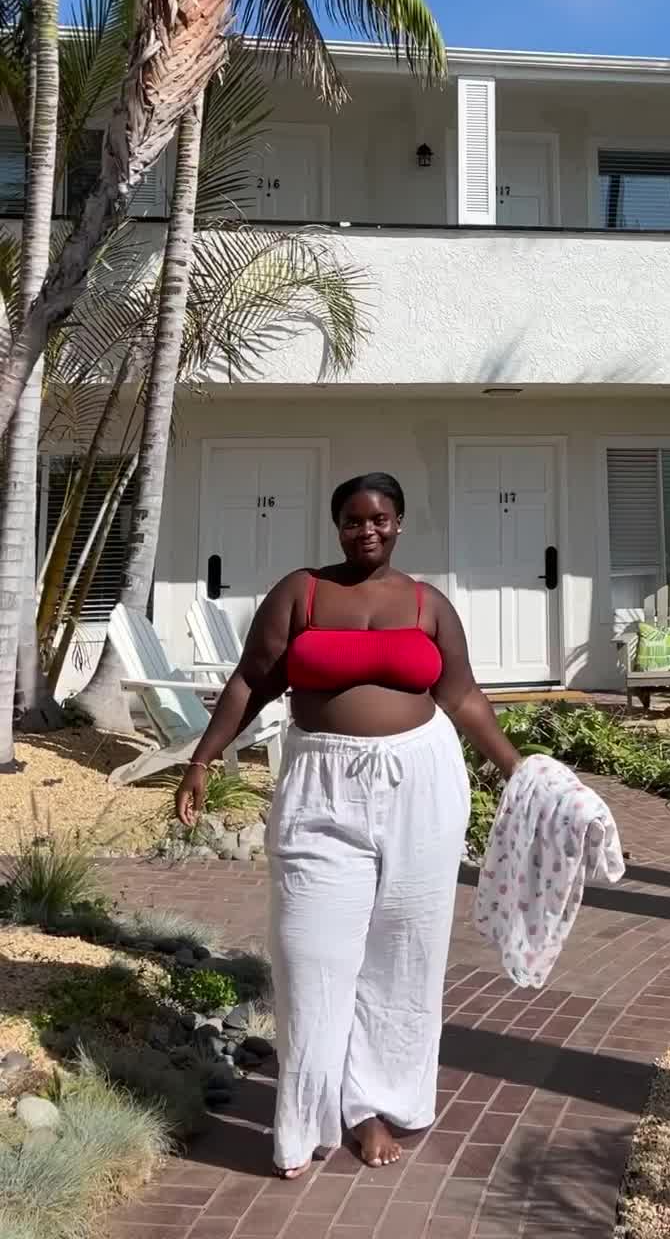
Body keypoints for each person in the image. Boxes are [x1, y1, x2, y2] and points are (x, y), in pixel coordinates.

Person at [174, 470, 521, 1178]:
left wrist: (519, 768)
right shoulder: (300, 593)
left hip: (420, 782)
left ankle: (370, 1107)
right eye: (354, 520)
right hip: (321, 786)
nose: (367, 531)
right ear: (337, 526)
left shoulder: (427, 604)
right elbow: (251, 680)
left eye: (380, 518)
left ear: (399, 523)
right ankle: (307, 1115)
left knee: (405, 953)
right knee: (310, 955)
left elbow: (463, 695)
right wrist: (201, 760)